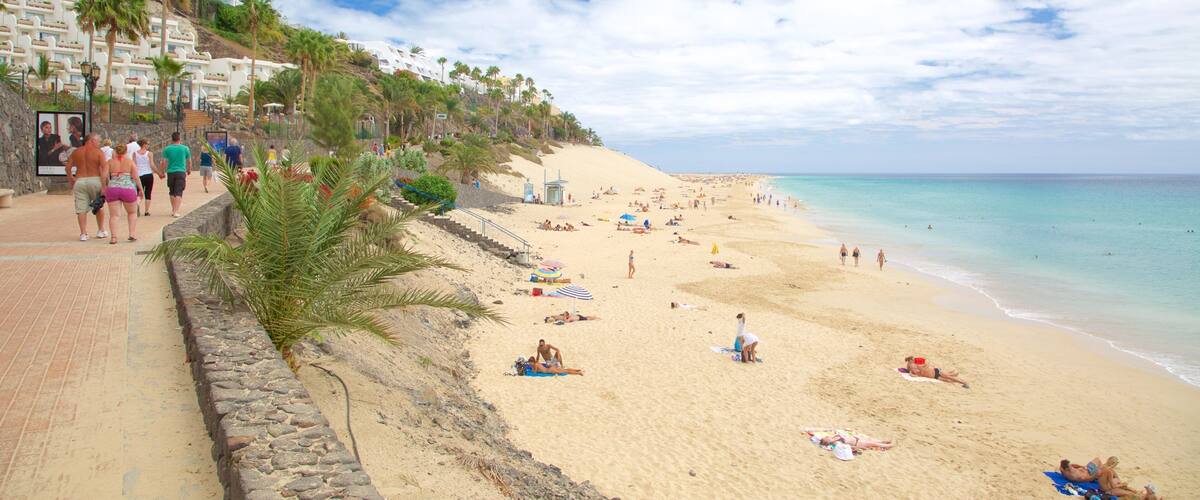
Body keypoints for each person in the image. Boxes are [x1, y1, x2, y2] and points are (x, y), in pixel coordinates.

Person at [65, 133, 108, 241]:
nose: (99, 143)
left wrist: (71, 179)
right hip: (95, 180)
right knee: (98, 204)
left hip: (80, 181)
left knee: (81, 208)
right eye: (97, 141)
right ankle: (101, 230)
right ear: (91, 140)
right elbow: (104, 170)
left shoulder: (76, 152)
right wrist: (104, 186)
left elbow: (67, 168)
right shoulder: (98, 152)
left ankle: (83, 233)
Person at [104, 143, 143, 244]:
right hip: (128, 189)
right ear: (126, 151)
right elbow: (135, 177)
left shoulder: (109, 162)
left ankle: (113, 237)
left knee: (114, 216)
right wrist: (141, 189)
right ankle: (132, 234)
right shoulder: (130, 162)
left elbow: (103, 176)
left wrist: (104, 188)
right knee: (132, 212)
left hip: (113, 189)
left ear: (115, 151)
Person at [160, 132, 192, 217]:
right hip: (181, 172)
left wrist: (162, 172)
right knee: (179, 192)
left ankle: (173, 209)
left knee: (171, 191)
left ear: (172, 139)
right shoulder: (185, 148)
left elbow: (163, 162)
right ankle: (176, 211)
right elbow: (189, 161)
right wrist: (189, 170)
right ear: (179, 139)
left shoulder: (167, 149)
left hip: (170, 172)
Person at [904, 356, 969, 388]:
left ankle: (964, 382)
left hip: (936, 371)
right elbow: (915, 374)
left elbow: (927, 364)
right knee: (948, 380)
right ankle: (955, 375)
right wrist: (913, 374)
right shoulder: (913, 367)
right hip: (934, 377)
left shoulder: (918, 364)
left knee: (949, 377)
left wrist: (921, 367)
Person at [133, 139, 157, 216]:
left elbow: (134, 165)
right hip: (148, 174)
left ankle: (137, 203)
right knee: (148, 192)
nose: (148, 145)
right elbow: (152, 165)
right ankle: (146, 211)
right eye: (148, 144)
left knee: (139, 192)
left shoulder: (135, 154)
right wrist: (158, 172)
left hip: (139, 175)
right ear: (144, 144)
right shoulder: (149, 154)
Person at [818, 431, 894, 451]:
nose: (827, 437)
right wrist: (858, 447)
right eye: (826, 438)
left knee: (872, 440)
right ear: (827, 442)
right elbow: (849, 447)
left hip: (857, 438)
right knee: (873, 443)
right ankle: (889, 446)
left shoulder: (834, 437)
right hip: (858, 443)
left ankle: (885, 441)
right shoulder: (836, 443)